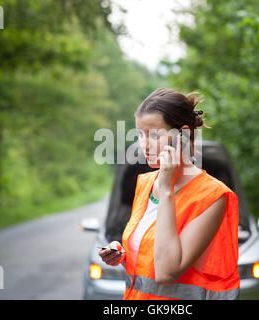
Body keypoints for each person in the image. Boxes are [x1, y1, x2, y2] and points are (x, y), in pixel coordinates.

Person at [99, 88, 240, 300]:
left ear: (181, 135)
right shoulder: (146, 183)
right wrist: (123, 252)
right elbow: (153, 252)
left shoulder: (213, 196)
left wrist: (166, 189)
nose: (143, 145)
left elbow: (166, 272)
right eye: (140, 134)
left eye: (154, 135)